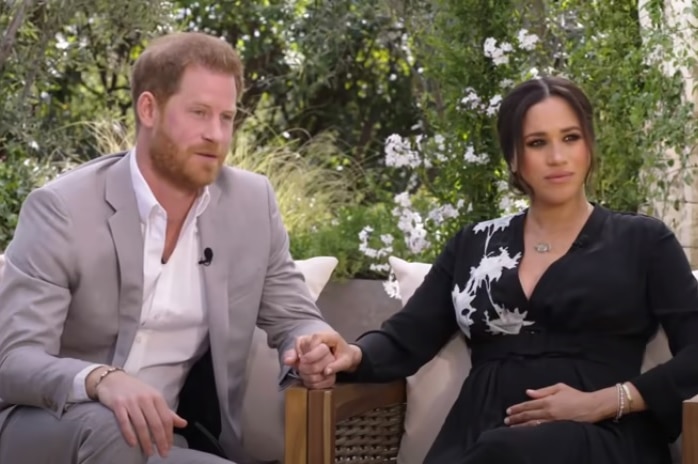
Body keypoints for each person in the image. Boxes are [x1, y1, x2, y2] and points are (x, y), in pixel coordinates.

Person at [298, 76, 698, 463]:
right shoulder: (474, 244)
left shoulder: (643, 241)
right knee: (499, 450)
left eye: (570, 138)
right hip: (480, 436)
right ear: (513, 157)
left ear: (589, 145)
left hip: (602, 438)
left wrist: (607, 401)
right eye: (537, 143)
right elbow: (406, 339)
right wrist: (350, 355)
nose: (557, 157)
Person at [0, 31, 338, 464]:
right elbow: (15, 359)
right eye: (198, 113)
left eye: (227, 117)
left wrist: (310, 346)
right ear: (149, 109)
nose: (215, 134)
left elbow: (294, 316)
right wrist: (101, 380)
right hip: (53, 427)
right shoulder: (63, 208)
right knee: (115, 425)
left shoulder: (252, 205)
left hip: (163, 443)